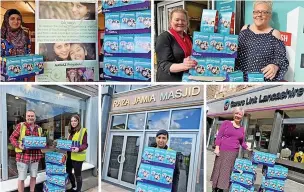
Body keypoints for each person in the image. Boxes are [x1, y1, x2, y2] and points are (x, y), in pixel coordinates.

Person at [236, 0, 289, 82]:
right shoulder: (245, 29)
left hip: (261, 80)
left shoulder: (274, 33)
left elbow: (282, 60)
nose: (259, 15)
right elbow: (235, 51)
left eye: (264, 12)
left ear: (269, 15)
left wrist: (275, 66)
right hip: (240, 78)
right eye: (256, 12)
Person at [210, 107, 252, 192]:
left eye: (240, 114)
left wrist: (248, 148)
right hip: (222, 151)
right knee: (219, 169)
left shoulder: (242, 129)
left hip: (233, 153)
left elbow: (242, 142)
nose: (238, 115)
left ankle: (221, 188)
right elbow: (219, 136)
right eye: (236, 113)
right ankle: (215, 188)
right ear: (233, 114)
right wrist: (217, 147)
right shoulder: (226, 123)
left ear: (242, 116)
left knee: (226, 172)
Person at [155, 8, 197, 82]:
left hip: (186, 79)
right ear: (171, 22)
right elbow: (165, 64)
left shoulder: (189, 38)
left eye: (183, 20)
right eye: (177, 20)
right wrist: (184, 66)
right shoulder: (164, 37)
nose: (180, 22)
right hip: (170, 81)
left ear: (187, 23)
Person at [9, 110, 44, 192]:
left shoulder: (39, 129)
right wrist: (19, 145)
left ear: (35, 118)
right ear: (26, 117)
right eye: (29, 116)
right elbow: (12, 138)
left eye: (32, 116)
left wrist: (43, 144)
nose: (30, 118)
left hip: (35, 157)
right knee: (21, 178)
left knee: (34, 176)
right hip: (23, 157)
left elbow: (40, 141)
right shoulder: (20, 126)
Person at [66, 114, 88, 192]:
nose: (73, 122)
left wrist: (78, 148)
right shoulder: (70, 132)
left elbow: (85, 144)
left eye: (75, 121)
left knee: (77, 175)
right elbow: (69, 143)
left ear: (78, 121)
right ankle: (73, 186)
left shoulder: (83, 131)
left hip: (77, 157)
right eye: (72, 121)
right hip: (69, 155)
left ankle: (78, 190)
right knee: (68, 171)